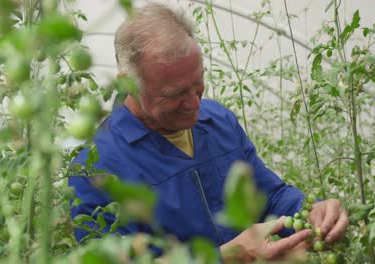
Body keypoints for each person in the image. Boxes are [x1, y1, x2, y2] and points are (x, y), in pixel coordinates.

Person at [69, 2, 348, 262]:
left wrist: (311, 211)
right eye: (175, 93)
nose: (194, 103)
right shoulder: (95, 170)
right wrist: (223, 257)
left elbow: (270, 196)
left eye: (198, 82)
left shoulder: (218, 121)